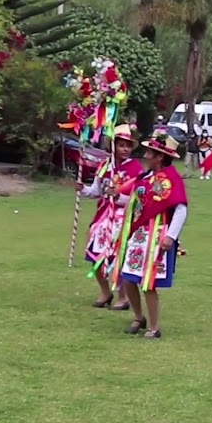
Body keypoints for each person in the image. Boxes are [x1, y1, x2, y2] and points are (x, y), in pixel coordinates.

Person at [116, 134, 189, 339]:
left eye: (150, 152)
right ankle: (139, 317)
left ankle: (154, 327)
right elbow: (134, 203)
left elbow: (180, 209)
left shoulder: (171, 179)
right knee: (128, 278)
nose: (145, 155)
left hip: (158, 235)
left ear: (159, 157)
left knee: (148, 283)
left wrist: (171, 236)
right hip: (139, 234)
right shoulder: (145, 178)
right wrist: (116, 196)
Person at [79, 125, 142, 310]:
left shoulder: (135, 169)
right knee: (95, 254)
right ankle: (105, 292)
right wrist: (82, 189)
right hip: (103, 218)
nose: (125, 149)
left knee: (117, 257)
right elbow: (96, 192)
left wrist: (119, 197)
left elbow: (138, 198)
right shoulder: (105, 166)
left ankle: (124, 298)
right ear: (113, 146)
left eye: (128, 146)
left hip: (122, 218)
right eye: (122, 145)